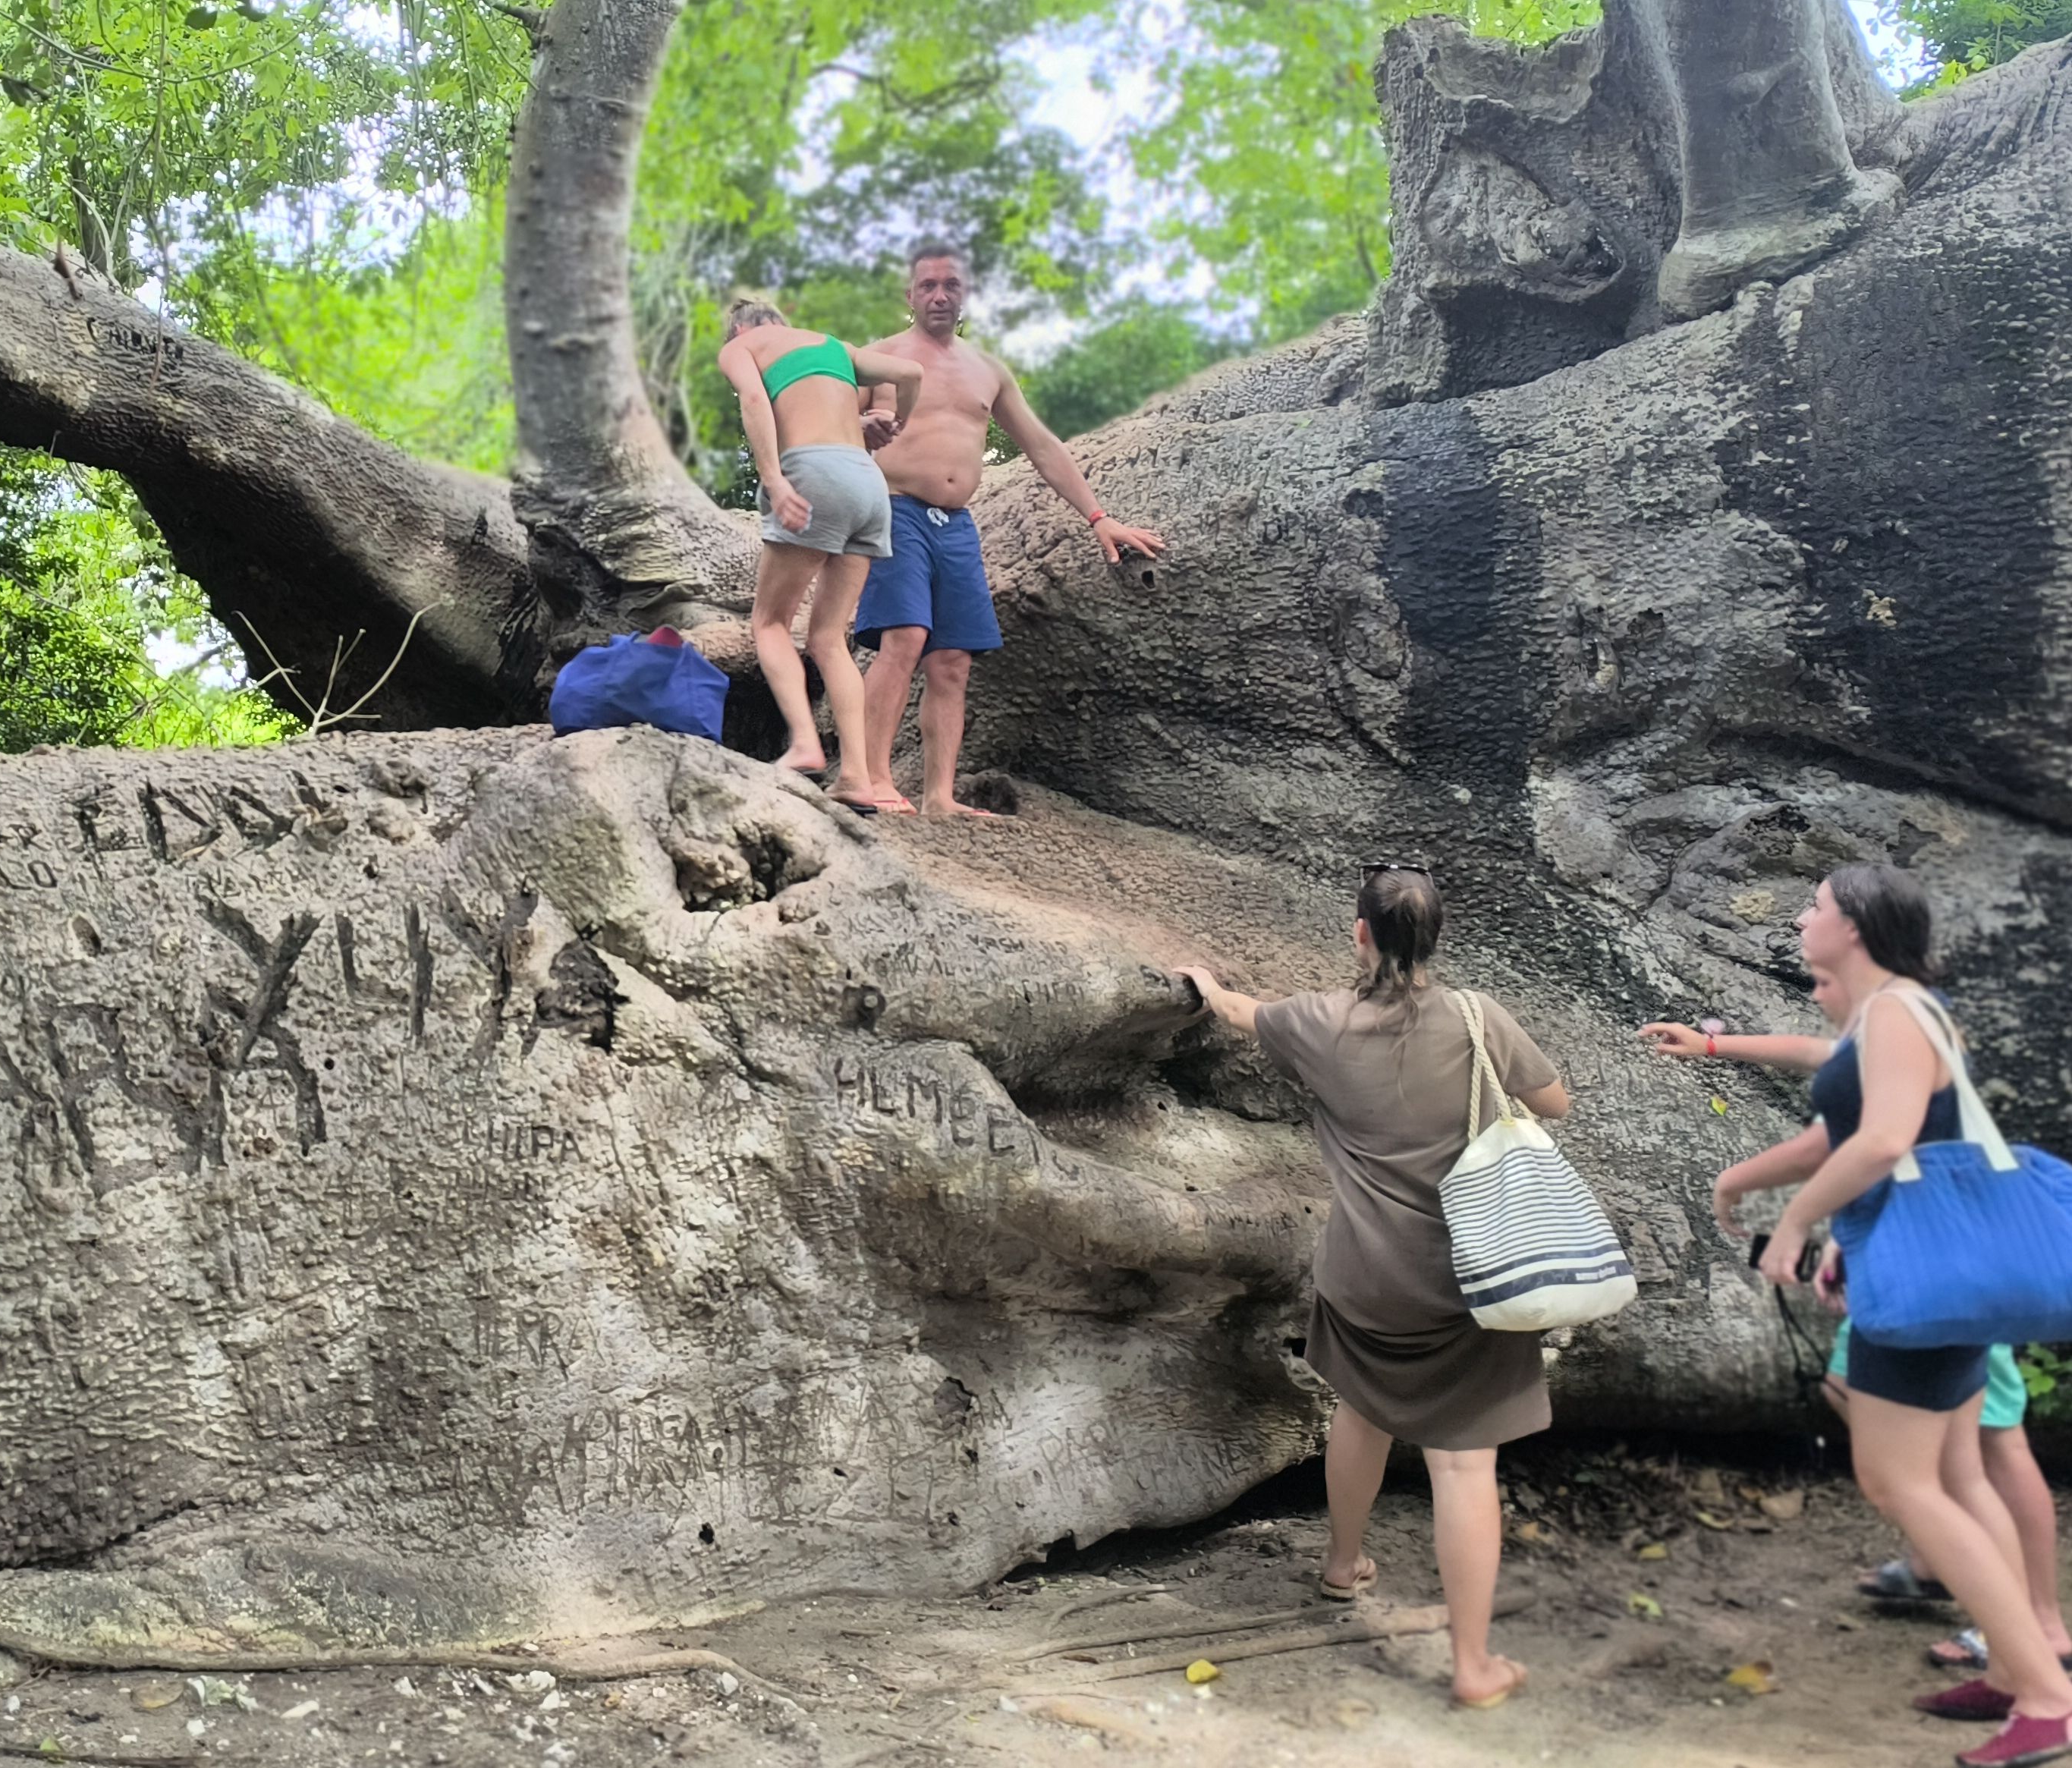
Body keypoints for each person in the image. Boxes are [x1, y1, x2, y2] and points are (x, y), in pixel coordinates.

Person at [1178, 866, 1564, 1711]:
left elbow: (1239, 1011)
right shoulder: (1479, 1017)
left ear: (1360, 933)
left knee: (1361, 1408)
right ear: (1435, 939)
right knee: (1463, 1462)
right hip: (1471, 1278)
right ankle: (1472, 1665)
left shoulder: (1321, 1021)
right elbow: (1554, 1101)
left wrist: (1204, 983)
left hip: (1364, 1275)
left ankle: (1341, 1562)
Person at [1723, 865, 2072, 1767]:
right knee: (1956, 1475)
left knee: (1898, 1480)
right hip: (1939, 1266)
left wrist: (1796, 1222)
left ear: (1854, 925)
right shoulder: (1899, 1011)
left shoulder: (1894, 1013)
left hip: (1925, 1287)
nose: (1801, 918)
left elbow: (1882, 1139)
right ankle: (2016, 1670)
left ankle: (2045, 1697)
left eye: (1814, 906)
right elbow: (1892, 1137)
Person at [1646, 991, 2072, 1680]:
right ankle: (1944, 1567)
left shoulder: (1896, 1019)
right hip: (1923, 1260)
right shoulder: (1892, 1022)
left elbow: (1842, 1142)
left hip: (1938, 1271)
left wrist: (1747, 1189)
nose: (1817, 982)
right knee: (1903, 1423)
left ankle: (2031, 1626)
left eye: (1823, 965)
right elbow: (1822, 1056)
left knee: (1987, 1450)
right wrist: (1714, 1044)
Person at [850, 242, 1165, 817]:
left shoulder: (987, 370)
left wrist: (1100, 518)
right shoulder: (879, 359)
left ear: (966, 293)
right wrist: (859, 428)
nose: (940, 295)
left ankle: (939, 796)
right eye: (928, 285)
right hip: (895, 510)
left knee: (953, 660)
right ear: (909, 294)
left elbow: (1041, 445)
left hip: (957, 524)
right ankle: (871, 779)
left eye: (951, 285)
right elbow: (828, 428)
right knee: (906, 637)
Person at [714, 297, 926, 811]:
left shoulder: (743, 346)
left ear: (739, 328)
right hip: (867, 483)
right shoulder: (835, 347)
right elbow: (911, 373)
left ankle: (806, 743)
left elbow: (754, 399)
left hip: (813, 474)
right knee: (829, 637)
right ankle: (856, 777)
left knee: (769, 623)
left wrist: (773, 478)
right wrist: (893, 421)